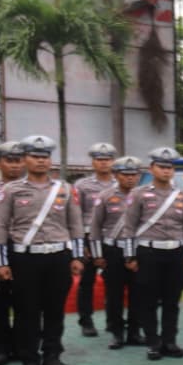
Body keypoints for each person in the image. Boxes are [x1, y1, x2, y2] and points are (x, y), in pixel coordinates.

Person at [0, 135, 85, 365]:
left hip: (58, 257)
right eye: (35, 156)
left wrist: (77, 257)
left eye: (45, 157)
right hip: (25, 259)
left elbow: (75, 224)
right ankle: (30, 359)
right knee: (26, 311)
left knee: (55, 310)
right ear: (25, 159)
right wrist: (1, 262)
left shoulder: (65, 189)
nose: (41, 161)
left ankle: (52, 356)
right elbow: (0, 226)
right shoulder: (11, 190)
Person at [120, 147, 183, 360]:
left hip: (176, 252)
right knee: (149, 300)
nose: (166, 171)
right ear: (152, 168)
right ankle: (153, 342)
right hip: (149, 252)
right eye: (161, 167)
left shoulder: (182, 195)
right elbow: (129, 227)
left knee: (172, 300)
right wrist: (129, 256)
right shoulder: (139, 194)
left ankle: (169, 341)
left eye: (169, 167)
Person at [90, 156, 144, 349]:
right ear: (116, 175)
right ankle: (117, 333)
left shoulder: (146, 195)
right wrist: (97, 254)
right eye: (125, 174)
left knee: (139, 293)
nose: (130, 178)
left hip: (139, 251)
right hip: (113, 250)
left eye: (134, 174)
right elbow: (95, 226)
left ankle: (135, 332)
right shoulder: (105, 196)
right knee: (114, 294)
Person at [0, 141, 27, 365]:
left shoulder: (34, 188)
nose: (15, 165)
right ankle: (0, 349)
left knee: (25, 301)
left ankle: (22, 346)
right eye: (9, 161)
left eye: (19, 160)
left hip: (24, 249)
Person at [73, 142, 116, 337]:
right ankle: (86, 321)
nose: (104, 163)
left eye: (107, 159)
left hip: (113, 237)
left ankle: (113, 320)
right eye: (99, 159)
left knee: (114, 281)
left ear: (113, 161)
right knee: (87, 281)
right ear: (93, 162)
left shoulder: (120, 183)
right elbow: (76, 215)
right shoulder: (82, 185)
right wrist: (80, 243)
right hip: (89, 237)